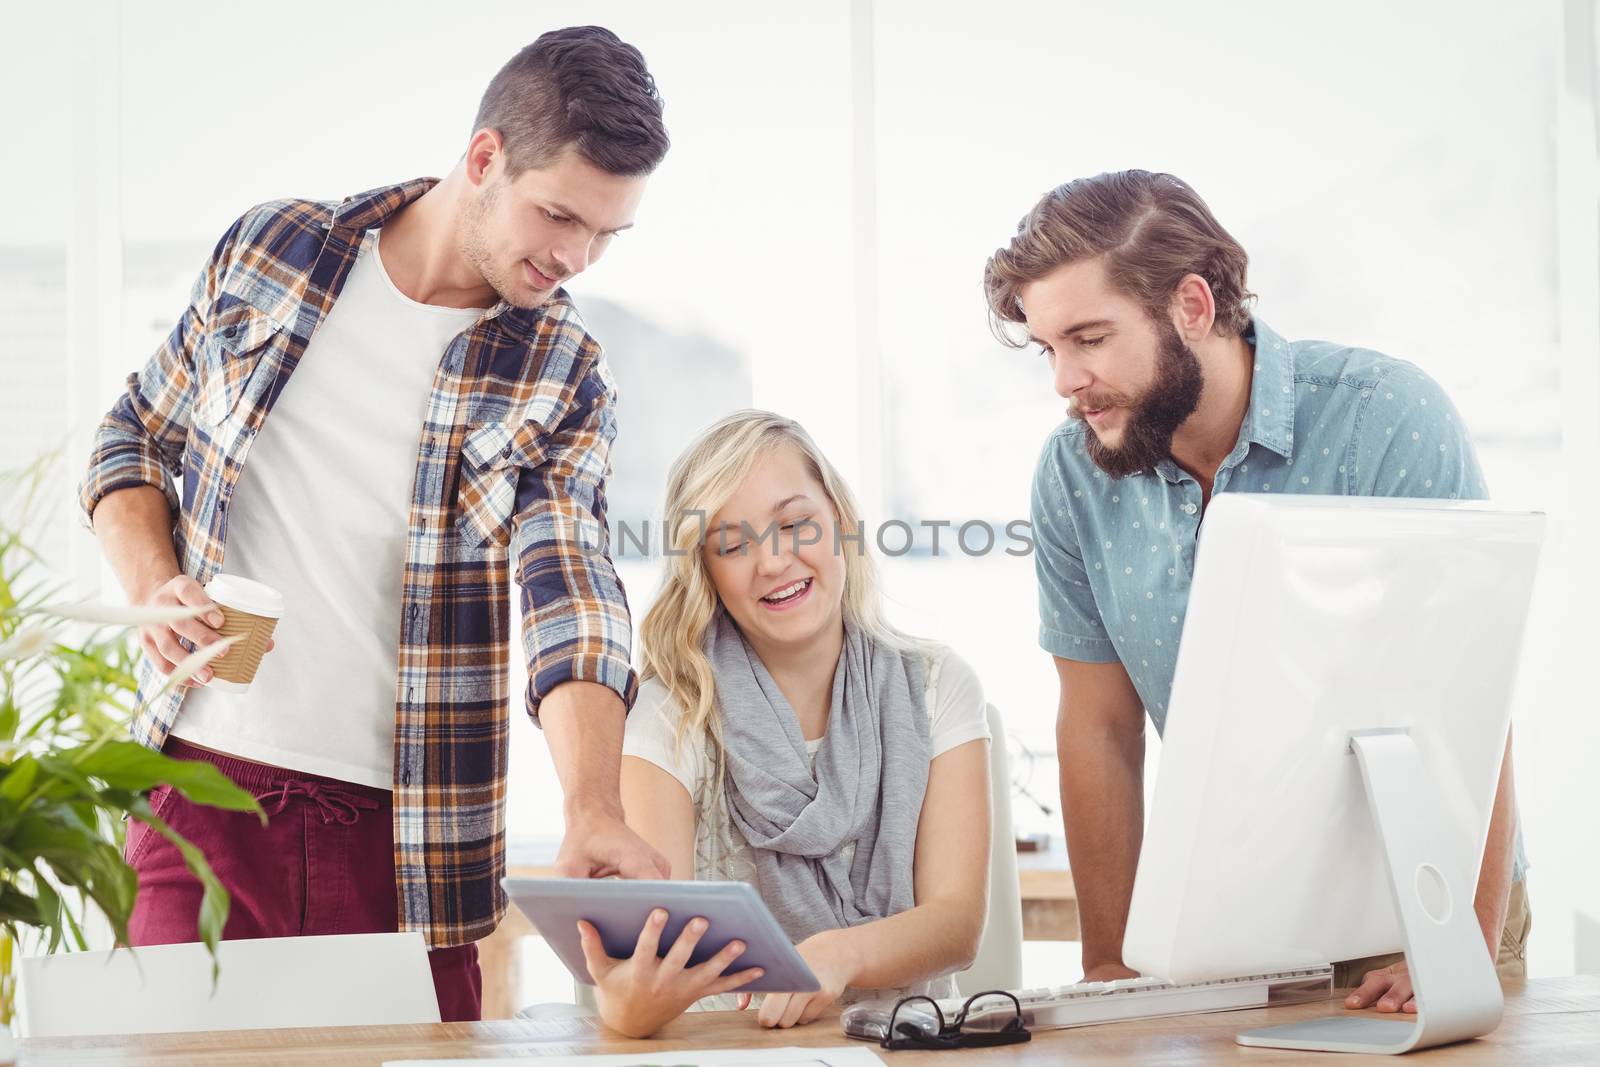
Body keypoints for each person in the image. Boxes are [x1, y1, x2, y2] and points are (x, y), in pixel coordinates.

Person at [78, 26, 671, 1021]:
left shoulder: (561, 368)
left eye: (607, 234)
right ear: (485, 157)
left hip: (407, 837)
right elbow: (133, 435)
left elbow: (572, 587)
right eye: (561, 214)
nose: (576, 256)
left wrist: (594, 807)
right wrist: (149, 581)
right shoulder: (273, 251)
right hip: (199, 785)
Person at [983, 170, 1529, 1015]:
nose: (1064, 379)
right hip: (1224, 917)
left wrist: (1458, 939)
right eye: (1049, 348)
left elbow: (1472, 706)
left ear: (1192, 308)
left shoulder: (1385, 419)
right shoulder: (1072, 473)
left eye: (1089, 338)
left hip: (1417, 903)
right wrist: (1110, 965)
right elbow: (1098, 726)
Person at [576, 410, 993, 1037]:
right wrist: (628, 1005)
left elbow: (957, 925)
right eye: (733, 544)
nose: (772, 561)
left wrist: (839, 955)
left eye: (795, 524)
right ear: (706, 571)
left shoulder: (938, 685)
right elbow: (649, 961)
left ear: (841, 525)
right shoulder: (670, 714)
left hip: (910, 1046)